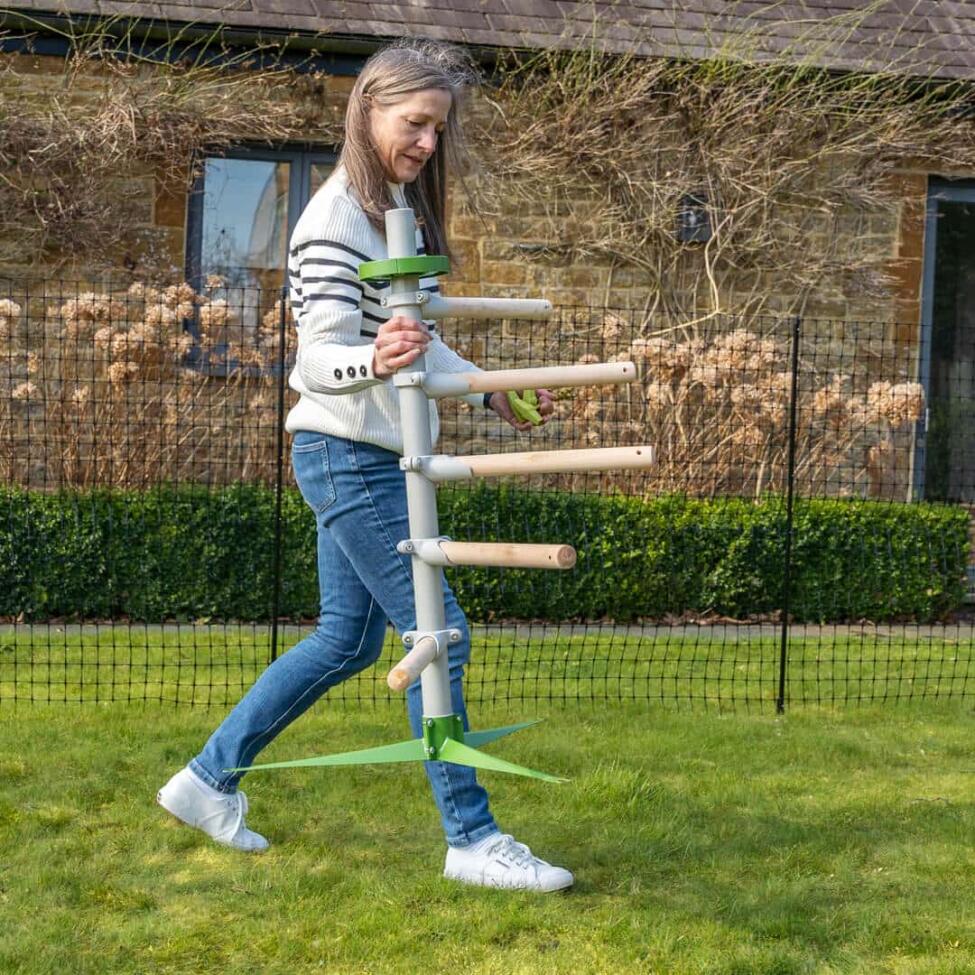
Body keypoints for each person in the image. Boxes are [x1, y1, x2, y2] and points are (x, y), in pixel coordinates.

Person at [157, 38, 573, 893]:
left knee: (345, 642)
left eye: (437, 128)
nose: (426, 141)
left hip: (364, 453)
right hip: (348, 454)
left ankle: (205, 781)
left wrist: (488, 392)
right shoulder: (335, 220)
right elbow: (318, 359)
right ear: (368, 110)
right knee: (438, 634)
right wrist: (373, 359)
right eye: (413, 122)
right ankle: (471, 837)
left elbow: (411, 337)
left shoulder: (391, 208)